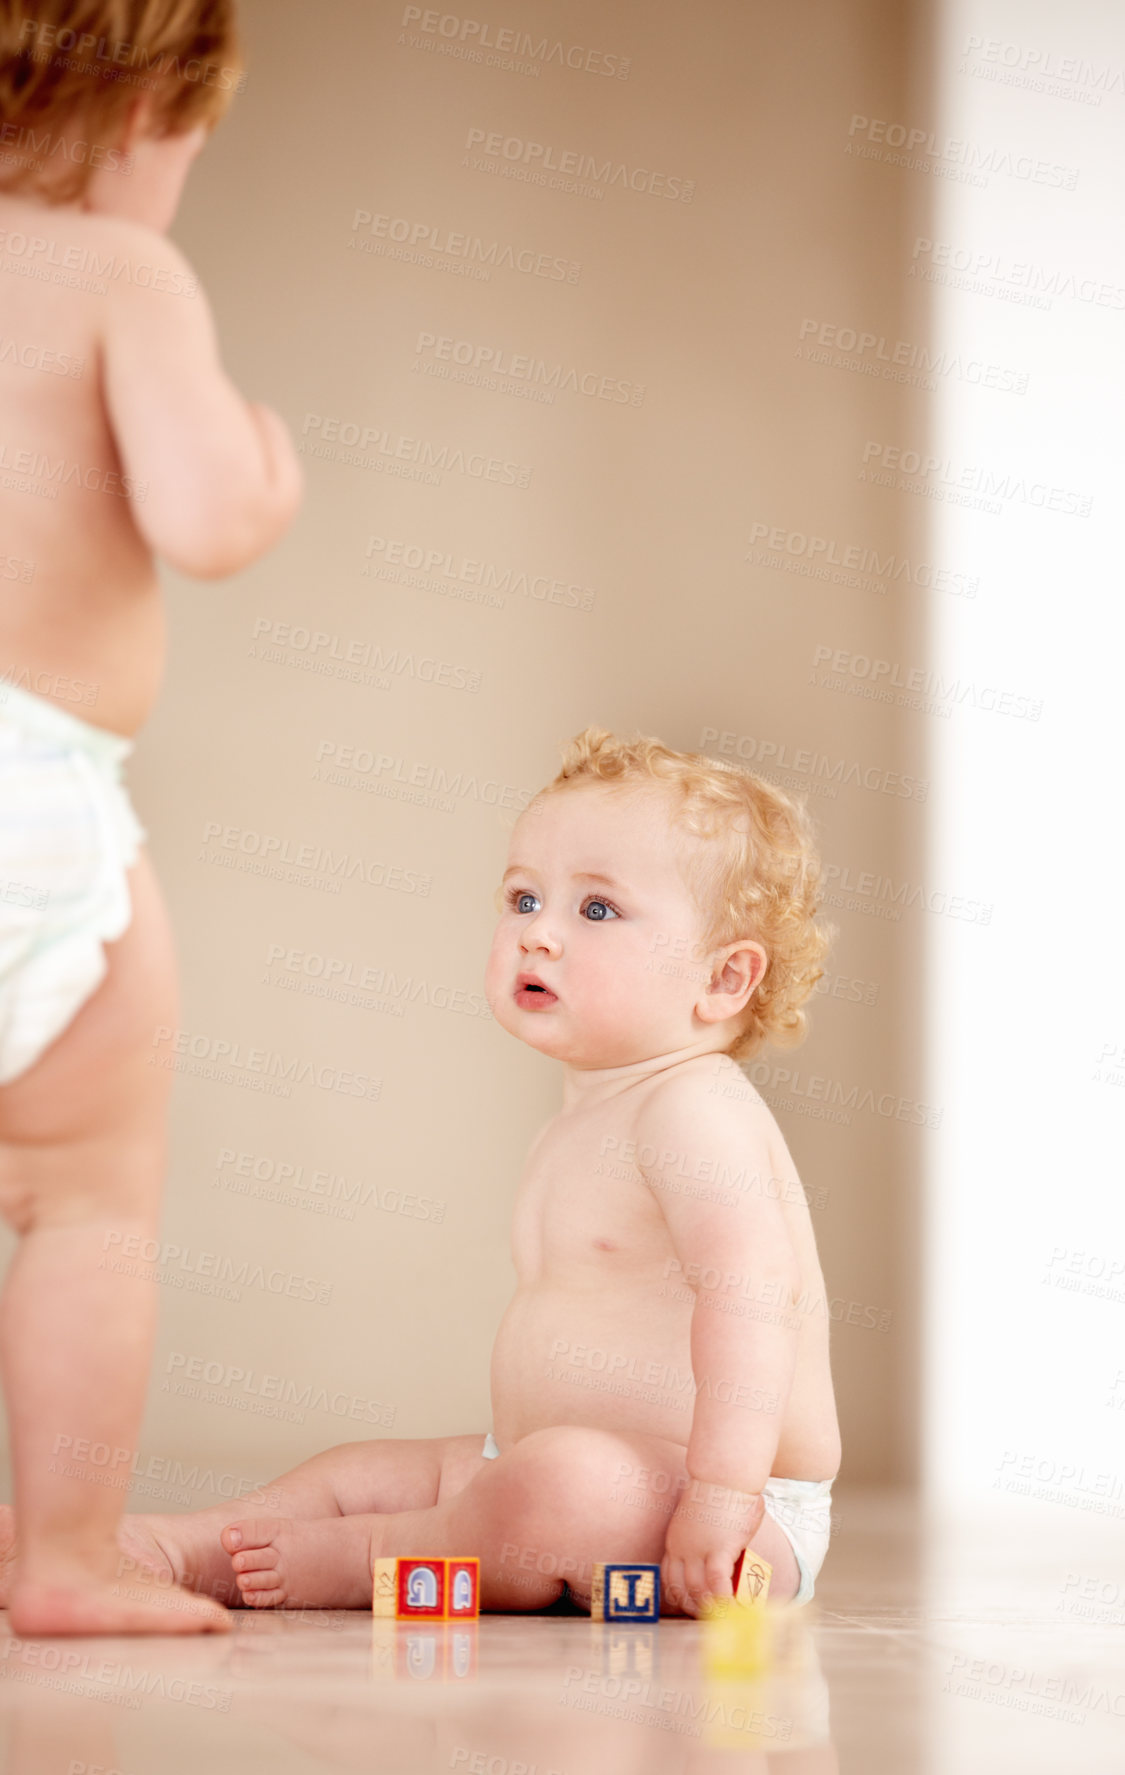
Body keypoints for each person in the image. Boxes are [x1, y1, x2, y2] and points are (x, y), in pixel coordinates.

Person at [54, 728, 843, 1617]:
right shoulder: (590, 1112)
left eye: (595, 910)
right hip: (532, 1467)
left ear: (725, 977)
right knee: (374, 1470)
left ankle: (374, 1558)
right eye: (522, 897)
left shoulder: (696, 1109)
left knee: (564, 1484)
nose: (537, 933)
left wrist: (725, 1494)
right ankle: (181, 1545)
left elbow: (751, 1293)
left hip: (725, 1518)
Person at [0, 0, 303, 1633]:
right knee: (86, 1198)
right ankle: (56, 1562)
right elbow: (202, 515)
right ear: (144, 116)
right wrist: (263, 462)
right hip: (34, 804)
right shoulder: (125, 277)